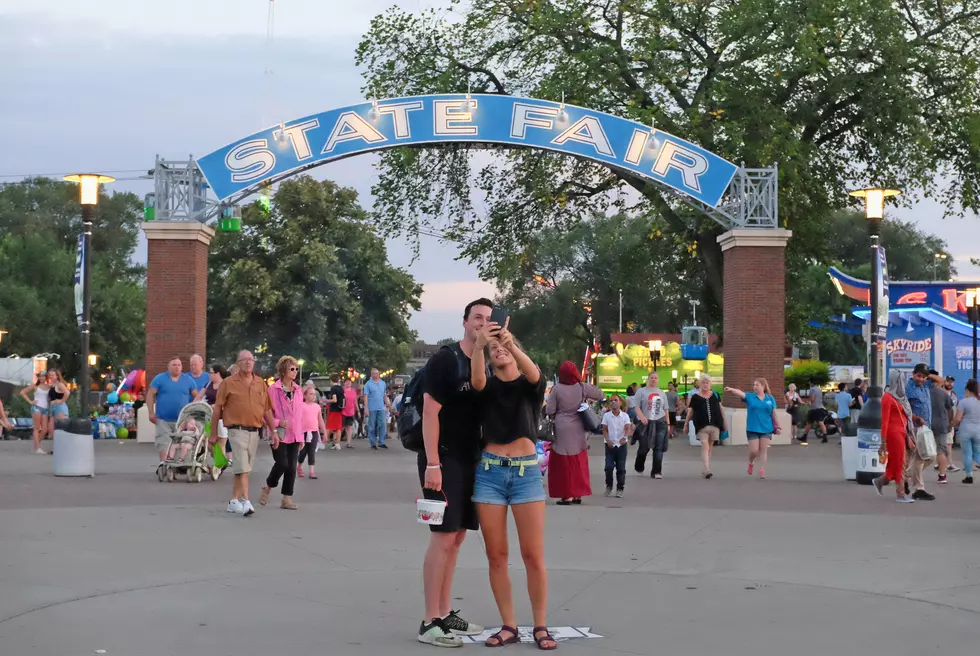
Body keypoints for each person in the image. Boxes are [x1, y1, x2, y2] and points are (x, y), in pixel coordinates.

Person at [469, 319, 556, 650]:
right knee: (497, 556)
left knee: (533, 554)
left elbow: (534, 373)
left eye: (504, 345)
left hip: (525, 474)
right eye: (495, 349)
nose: (499, 349)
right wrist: (481, 344)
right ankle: (509, 625)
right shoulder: (486, 385)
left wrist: (508, 341)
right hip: (490, 473)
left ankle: (541, 626)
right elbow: (477, 380)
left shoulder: (529, 385)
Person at [417, 299, 490, 647]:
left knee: (458, 537)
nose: (482, 323)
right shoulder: (446, 358)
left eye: (489, 319)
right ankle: (429, 621)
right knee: (442, 537)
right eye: (477, 317)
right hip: (441, 460)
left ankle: (445, 612)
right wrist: (432, 463)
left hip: (469, 459)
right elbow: (430, 412)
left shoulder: (483, 364)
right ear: (465, 321)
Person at [211, 350, 276, 517]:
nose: (248, 362)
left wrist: (274, 431)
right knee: (242, 465)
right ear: (238, 363)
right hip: (236, 429)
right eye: (244, 360)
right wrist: (213, 433)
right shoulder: (228, 383)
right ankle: (246, 501)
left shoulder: (260, 383)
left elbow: (267, 409)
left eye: (251, 360)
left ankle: (233, 501)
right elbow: (217, 408)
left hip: (254, 431)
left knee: (243, 468)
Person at [545, 361, 603, 505]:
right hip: (579, 428)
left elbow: (550, 410)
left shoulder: (557, 389)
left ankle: (567, 495)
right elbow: (600, 394)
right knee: (578, 462)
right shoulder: (582, 387)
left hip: (561, 428)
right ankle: (577, 494)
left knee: (563, 463)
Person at [261, 356, 305, 511]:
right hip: (278, 433)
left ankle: (287, 499)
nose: (294, 372)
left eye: (296, 369)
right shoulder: (273, 390)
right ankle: (268, 486)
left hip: (295, 434)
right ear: (283, 371)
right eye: (291, 369)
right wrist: (278, 422)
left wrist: (302, 436)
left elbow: (300, 415)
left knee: (292, 467)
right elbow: (264, 413)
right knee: (282, 463)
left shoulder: (299, 391)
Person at [872, 370, 917, 502]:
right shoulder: (888, 397)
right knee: (899, 464)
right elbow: (884, 422)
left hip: (902, 432)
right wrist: (883, 442)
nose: (903, 383)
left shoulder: (900, 397)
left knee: (895, 464)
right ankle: (900, 494)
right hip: (894, 434)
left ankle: (880, 482)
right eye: (901, 380)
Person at [146, 357, 197, 463]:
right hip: (163, 419)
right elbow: (150, 395)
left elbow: (197, 396)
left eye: (179, 365)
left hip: (183, 420)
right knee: (164, 443)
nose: (177, 367)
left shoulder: (188, 380)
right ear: (168, 367)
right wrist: (151, 412)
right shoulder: (160, 379)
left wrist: (192, 414)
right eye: (174, 365)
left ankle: (180, 464)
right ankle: (164, 466)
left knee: (182, 443)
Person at [726, 379, 780, 479]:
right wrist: (731, 389)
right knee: (754, 450)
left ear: (763, 386)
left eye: (757, 385)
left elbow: (774, 413)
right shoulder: (750, 397)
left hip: (766, 428)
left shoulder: (770, 398)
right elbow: (741, 393)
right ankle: (751, 462)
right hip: (752, 428)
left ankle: (762, 470)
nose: (755, 387)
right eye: (754, 385)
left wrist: (778, 426)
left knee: (764, 450)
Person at [905, 363, 942, 500]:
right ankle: (919, 488)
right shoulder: (908, 388)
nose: (921, 379)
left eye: (924, 377)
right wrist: (916, 418)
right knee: (923, 456)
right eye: (919, 376)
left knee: (926, 457)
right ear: (913, 374)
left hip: (926, 428)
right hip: (915, 427)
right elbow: (904, 409)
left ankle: (906, 476)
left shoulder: (926, 385)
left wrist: (928, 375)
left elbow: (940, 381)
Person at [685, 375, 727, 479]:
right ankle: (707, 469)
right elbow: (691, 411)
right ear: (699, 384)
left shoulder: (715, 395)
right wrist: (686, 424)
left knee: (710, 446)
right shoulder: (695, 397)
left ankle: (705, 468)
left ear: (710, 384)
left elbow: (721, 409)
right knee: (705, 444)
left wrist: (725, 422)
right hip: (701, 425)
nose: (705, 384)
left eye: (707, 382)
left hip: (715, 424)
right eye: (703, 382)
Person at [634, 371, 668, 479]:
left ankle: (656, 471)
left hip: (660, 422)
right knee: (644, 448)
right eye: (652, 377)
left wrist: (668, 423)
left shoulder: (662, 393)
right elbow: (636, 406)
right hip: (645, 423)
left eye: (656, 378)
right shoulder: (641, 392)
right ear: (648, 379)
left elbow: (665, 409)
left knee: (658, 448)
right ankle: (639, 465)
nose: (654, 380)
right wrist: (642, 417)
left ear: (658, 380)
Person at [195, 364, 230, 466]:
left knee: (221, 441)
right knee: (208, 441)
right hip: (208, 416)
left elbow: (227, 400)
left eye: (211, 372)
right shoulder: (208, 384)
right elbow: (199, 396)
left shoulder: (225, 384)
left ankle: (220, 464)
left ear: (217, 373)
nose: (209, 375)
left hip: (221, 417)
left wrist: (215, 405)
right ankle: (220, 461)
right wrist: (193, 406)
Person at [602, 395, 633, 497]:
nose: (613, 402)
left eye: (616, 400)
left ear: (620, 403)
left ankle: (620, 488)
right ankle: (609, 486)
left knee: (621, 468)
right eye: (611, 401)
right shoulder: (606, 416)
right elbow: (605, 429)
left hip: (621, 446)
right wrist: (607, 439)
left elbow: (628, 429)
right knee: (608, 467)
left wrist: (624, 438)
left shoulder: (625, 416)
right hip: (610, 445)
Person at [952, 379, 980, 483]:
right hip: (978, 431)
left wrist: (952, 425)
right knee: (977, 452)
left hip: (966, 431)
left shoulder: (963, 402)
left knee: (967, 454)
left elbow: (958, 419)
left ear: (967, 390)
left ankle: (969, 476)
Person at [297, 384, 327, 479]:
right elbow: (297, 420)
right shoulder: (301, 406)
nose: (313, 396)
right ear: (305, 396)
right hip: (303, 433)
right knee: (303, 452)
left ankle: (311, 471)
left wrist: (324, 432)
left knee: (311, 451)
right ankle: (299, 466)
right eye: (311, 394)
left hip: (314, 432)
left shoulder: (317, 407)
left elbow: (320, 420)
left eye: (314, 394)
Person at [930, 378, 956, 484]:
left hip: (926, 425)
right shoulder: (944, 393)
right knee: (941, 450)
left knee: (920, 451)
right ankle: (942, 475)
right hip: (942, 425)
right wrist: (950, 424)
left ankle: (914, 474)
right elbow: (950, 409)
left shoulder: (924, 392)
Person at [20, 372, 51, 454]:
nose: (41, 378)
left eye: (43, 377)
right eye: (40, 377)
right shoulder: (35, 386)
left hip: (45, 408)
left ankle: (36, 445)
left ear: (46, 378)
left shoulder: (49, 386)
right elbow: (22, 392)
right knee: (37, 428)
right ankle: (37, 448)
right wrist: (30, 401)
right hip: (36, 407)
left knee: (45, 429)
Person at [364, 368, 391, 450]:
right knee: (372, 426)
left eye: (377, 373)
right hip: (372, 407)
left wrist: (388, 404)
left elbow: (384, 394)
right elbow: (366, 396)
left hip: (381, 407)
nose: (375, 375)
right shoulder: (368, 384)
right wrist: (366, 407)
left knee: (382, 424)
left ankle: (381, 442)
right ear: (371, 375)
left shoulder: (382, 383)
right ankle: (372, 442)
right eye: (374, 374)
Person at [45, 370, 71, 439]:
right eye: (50, 375)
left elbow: (67, 392)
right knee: (51, 429)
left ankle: (63, 448)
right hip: (52, 407)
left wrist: (61, 401)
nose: (51, 377)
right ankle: (57, 448)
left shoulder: (59, 384)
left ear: (57, 376)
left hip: (59, 408)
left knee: (61, 429)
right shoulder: (51, 385)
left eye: (53, 375)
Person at [324, 374, 345, 451]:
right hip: (340, 410)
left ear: (331, 380)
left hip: (333, 410)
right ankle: (337, 443)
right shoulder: (341, 388)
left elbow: (334, 400)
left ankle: (323, 442)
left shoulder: (333, 388)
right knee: (338, 428)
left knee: (329, 427)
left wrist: (326, 400)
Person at [342, 379, 358, 448]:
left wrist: (358, 410)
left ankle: (348, 443)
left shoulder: (353, 391)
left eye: (349, 382)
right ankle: (335, 441)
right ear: (344, 383)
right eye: (346, 382)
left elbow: (355, 401)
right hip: (343, 411)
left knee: (349, 427)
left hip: (351, 411)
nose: (348, 383)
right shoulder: (342, 390)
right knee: (341, 427)